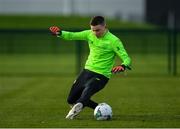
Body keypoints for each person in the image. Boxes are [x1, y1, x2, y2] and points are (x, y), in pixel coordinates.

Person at [49, 16, 131, 120]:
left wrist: (123, 66)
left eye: (98, 30)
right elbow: (72, 35)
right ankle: (100, 108)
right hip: (87, 72)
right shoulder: (89, 34)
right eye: (93, 30)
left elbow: (127, 58)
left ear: (105, 26)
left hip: (102, 75)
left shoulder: (114, 41)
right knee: (71, 100)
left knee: (87, 91)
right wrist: (59, 33)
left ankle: (75, 110)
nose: (95, 33)